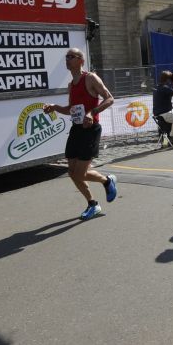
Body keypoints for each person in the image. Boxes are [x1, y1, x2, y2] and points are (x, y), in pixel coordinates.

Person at [43, 49, 117, 220]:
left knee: (80, 173)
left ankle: (107, 181)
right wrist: (55, 107)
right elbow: (72, 109)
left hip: (91, 130)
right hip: (76, 129)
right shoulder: (71, 85)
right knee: (72, 172)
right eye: (66, 57)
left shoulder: (90, 78)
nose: (67, 60)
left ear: (81, 60)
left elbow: (110, 98)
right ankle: (93, 204)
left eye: (71, 57)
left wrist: (92, 112)